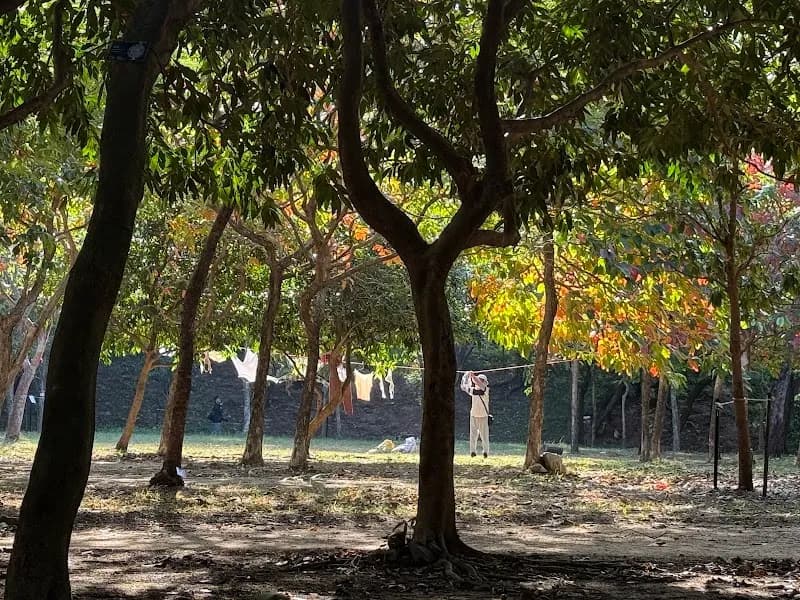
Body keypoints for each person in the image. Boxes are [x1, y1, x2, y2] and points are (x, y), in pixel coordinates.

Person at [460, 371, 490, 458]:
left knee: (484, 436)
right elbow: (464, 387)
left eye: (482, 380)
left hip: (483, 416)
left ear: (485, 382)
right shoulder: (473, 390)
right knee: (473, 435)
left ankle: (485, 452)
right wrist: (467, 377)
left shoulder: (485, 390)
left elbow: (479, 384)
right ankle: (472, 451)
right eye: (479, 379)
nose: (480, 381)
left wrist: (473, 376)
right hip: (473, 415)